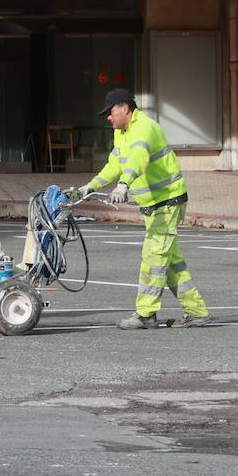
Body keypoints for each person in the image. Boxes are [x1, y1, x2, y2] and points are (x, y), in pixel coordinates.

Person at [70, 88, 210, 330]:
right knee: (170, 261)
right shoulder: (122, 133)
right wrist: (89, 186)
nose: (108, 118)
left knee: (153, 258)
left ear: (125, 108)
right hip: (154, 205)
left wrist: (124, 185)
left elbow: (138, 159)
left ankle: (145, 314)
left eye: (111, 112)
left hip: (167, 201)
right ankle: (196, 311)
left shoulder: (144, 127)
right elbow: (114, 164)